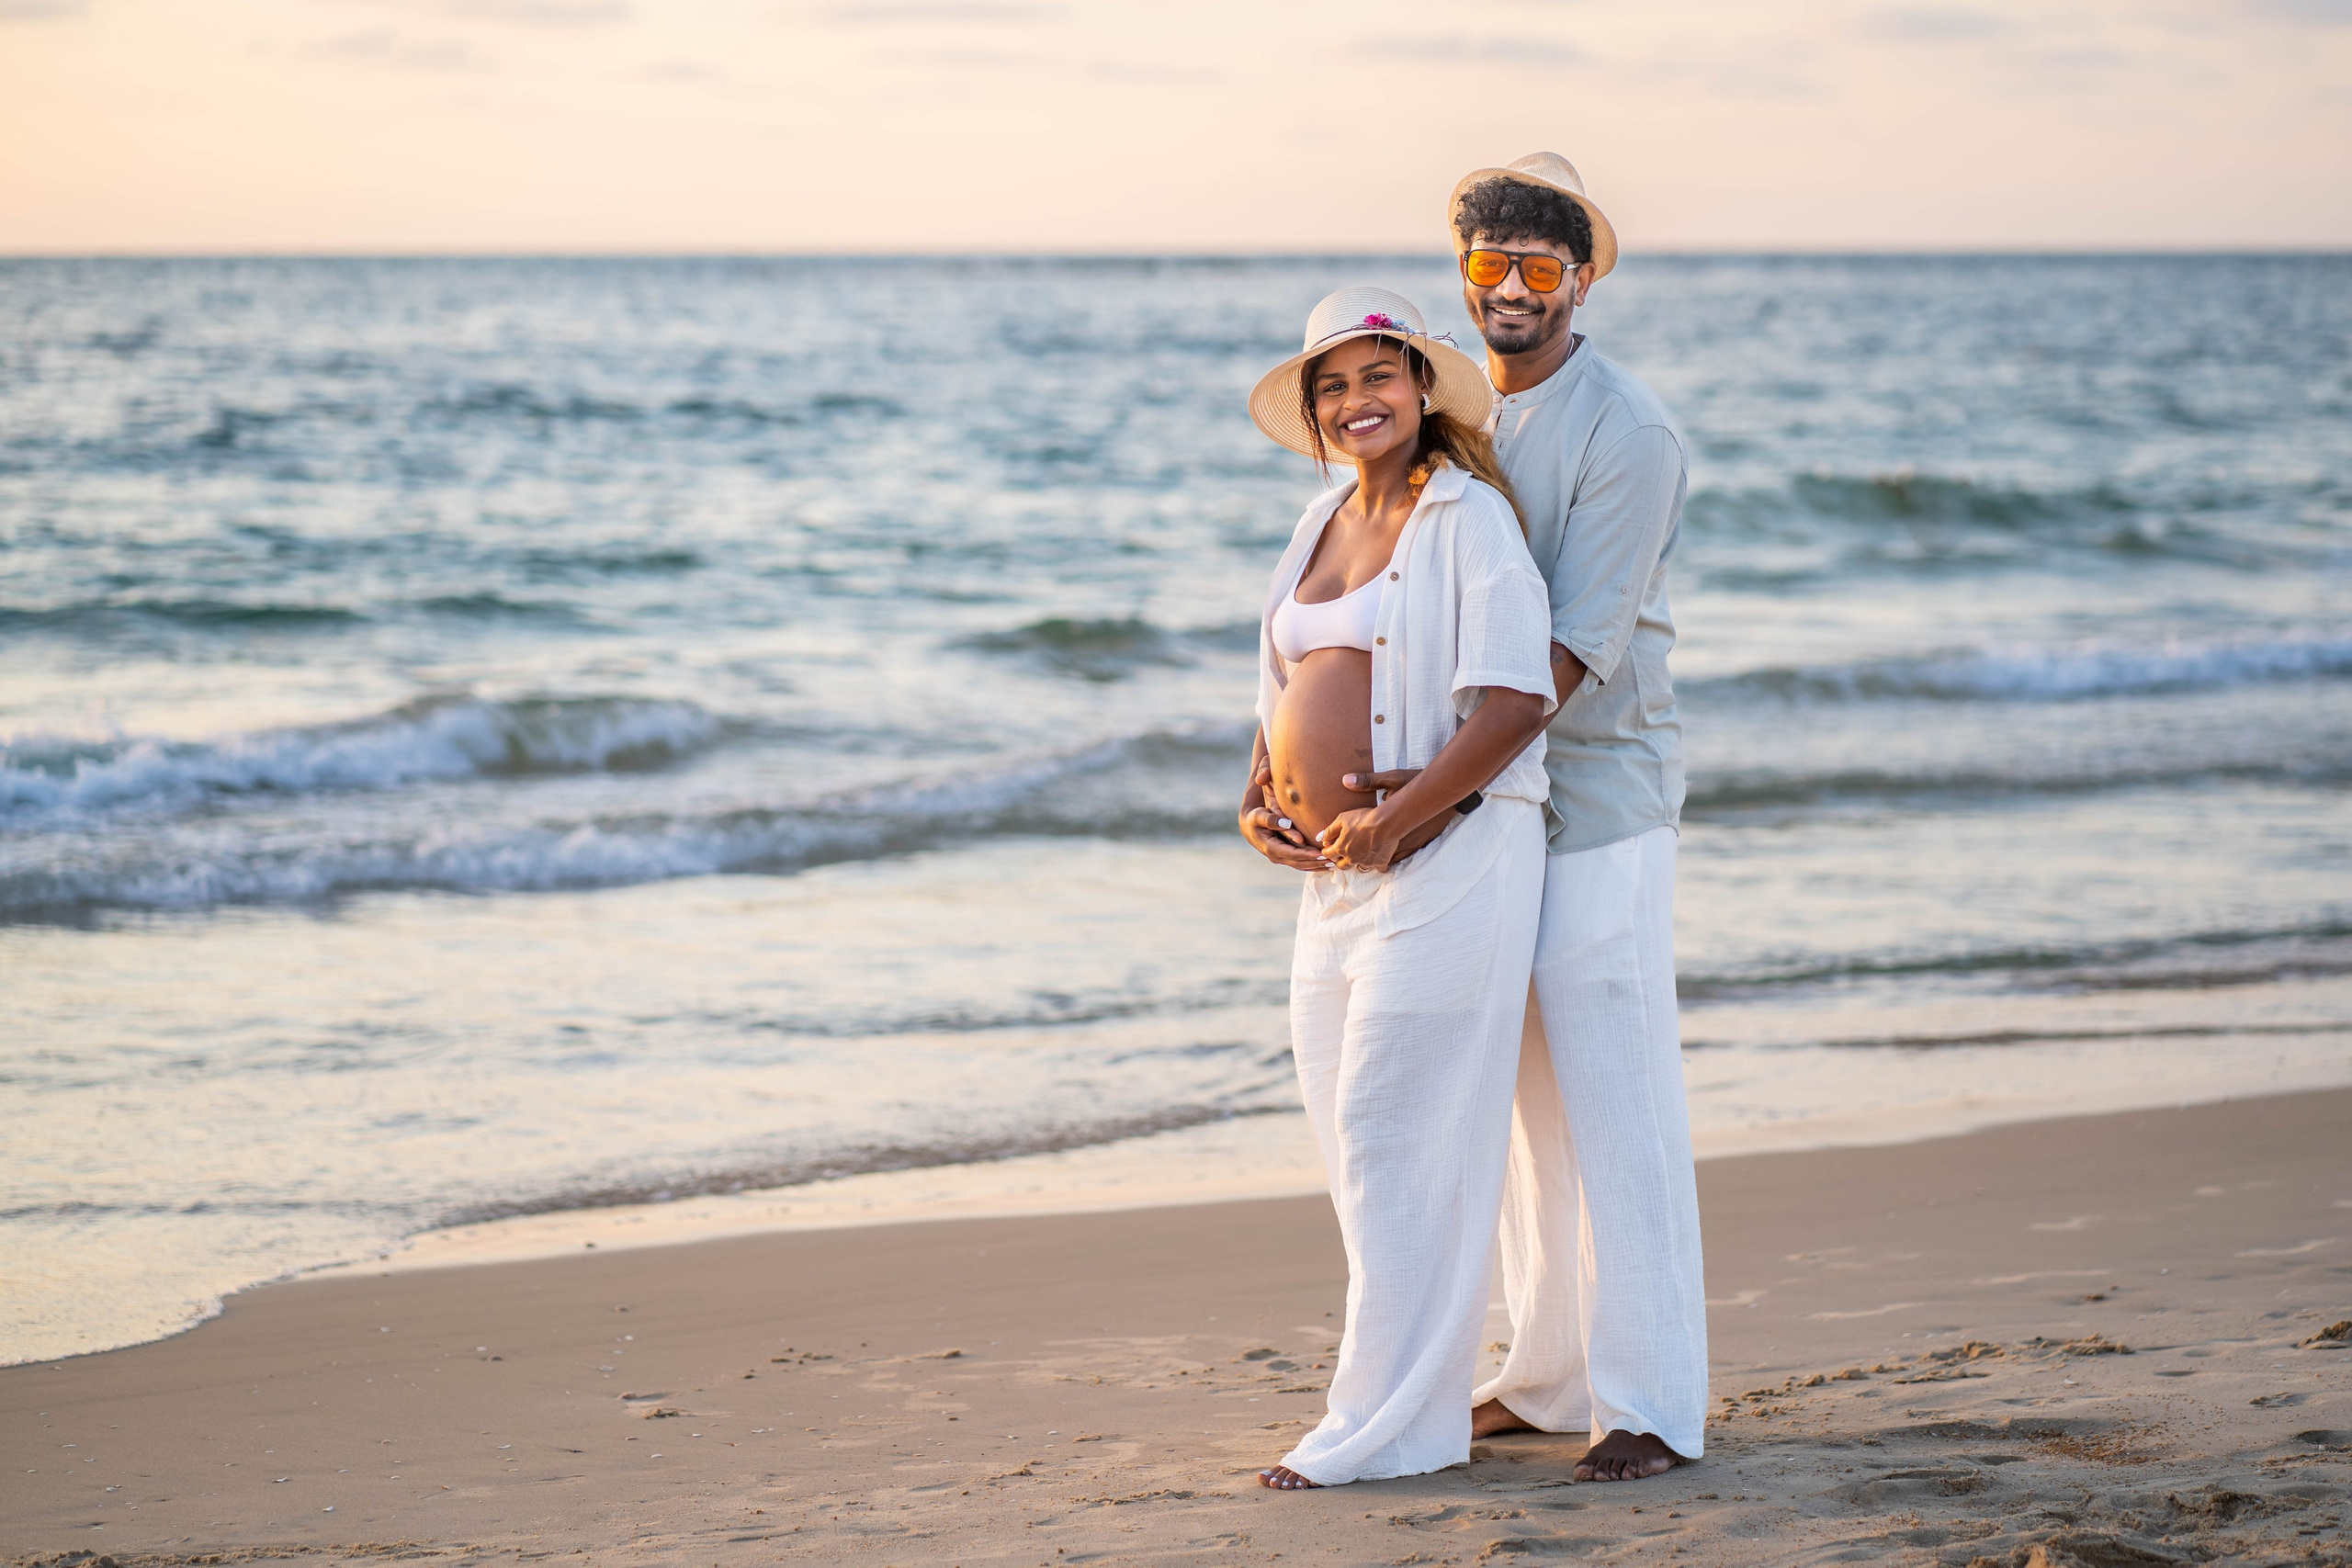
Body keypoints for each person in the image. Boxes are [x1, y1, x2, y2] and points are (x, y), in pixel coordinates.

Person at [1348, 154, 1709, 1483]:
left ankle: (1654, 1403)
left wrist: (1422, 794)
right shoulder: (1457, 410)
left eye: (1537, 267)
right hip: (1492, 799)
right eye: (1486, 263)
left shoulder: (1628, 433)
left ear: (1581, 280)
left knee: (1620, 1098)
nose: (1510, 287)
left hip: (1599, 801)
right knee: (1524, 1111)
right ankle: (1549, 1379)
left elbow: (1564, 655)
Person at [1235, 286, 1557, 1490]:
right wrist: (1258, 791)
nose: (1356, 401)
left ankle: (1383, 1426)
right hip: (1334, 882)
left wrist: (1402, 817)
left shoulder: (1470, 517)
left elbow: (1519, 697)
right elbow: (1283, 682)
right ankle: (1405, 1406)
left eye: (1378, 375)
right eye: (1333, 386)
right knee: (1349, 1136)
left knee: (1390, 1133)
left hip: (1450, 863)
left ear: (1421, 387)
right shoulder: (1318, 519)